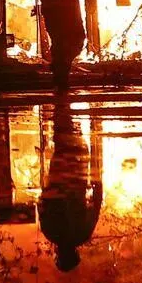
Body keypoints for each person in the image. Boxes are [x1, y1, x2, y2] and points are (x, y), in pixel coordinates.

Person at [39, 103, 102, 271]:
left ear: (75, 253)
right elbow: (42, 204)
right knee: (62, 144)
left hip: (76, 183)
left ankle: (66, 104)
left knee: (75, 146)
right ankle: (62, 105)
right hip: (58, 180)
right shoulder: (50, 232)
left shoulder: (83, 233)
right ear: (59, 254)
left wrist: (97, 183)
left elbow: (95, 205)